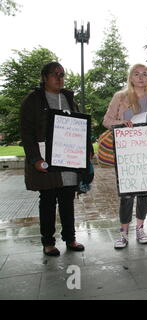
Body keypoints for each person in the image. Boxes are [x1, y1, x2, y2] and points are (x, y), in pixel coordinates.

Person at [20, 62, 86, 256]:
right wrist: (35, 159)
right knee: (48, 200)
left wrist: (86, 149)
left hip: (68, 160)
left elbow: (79, 126)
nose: (59, 78)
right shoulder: (32, 101)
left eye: (62, 74)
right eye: (55, 74)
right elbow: (27, 134)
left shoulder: (68, 98)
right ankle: (48, 242)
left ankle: (70, 238)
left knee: (67, 200)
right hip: (46, 159)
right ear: (44, 77)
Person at [103, 63, 147, 249]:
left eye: (145, 74)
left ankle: (140, 228)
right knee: (127, 195)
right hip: (126, 153)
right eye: (136, 74)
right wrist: (122, 123)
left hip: (146, 152)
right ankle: (123, 232)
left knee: (145, 191)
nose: (141, 77)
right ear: (130, 77)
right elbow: (106, 121)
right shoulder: (120, 97)